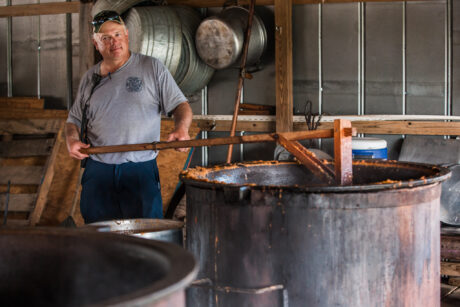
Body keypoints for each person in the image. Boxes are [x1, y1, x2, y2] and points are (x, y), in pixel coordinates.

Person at [66, 10, 192, 224]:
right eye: (105, 38)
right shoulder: (90, 78)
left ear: (127, 35)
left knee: (146, 236)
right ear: (96, 44)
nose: (113, 41)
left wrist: (182, 129)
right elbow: (74, 121)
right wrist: (71, 140)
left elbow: (181, 106)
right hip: (98, 170)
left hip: (139, 169)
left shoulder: (151, 68)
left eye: (117, 34)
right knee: (99, 236)